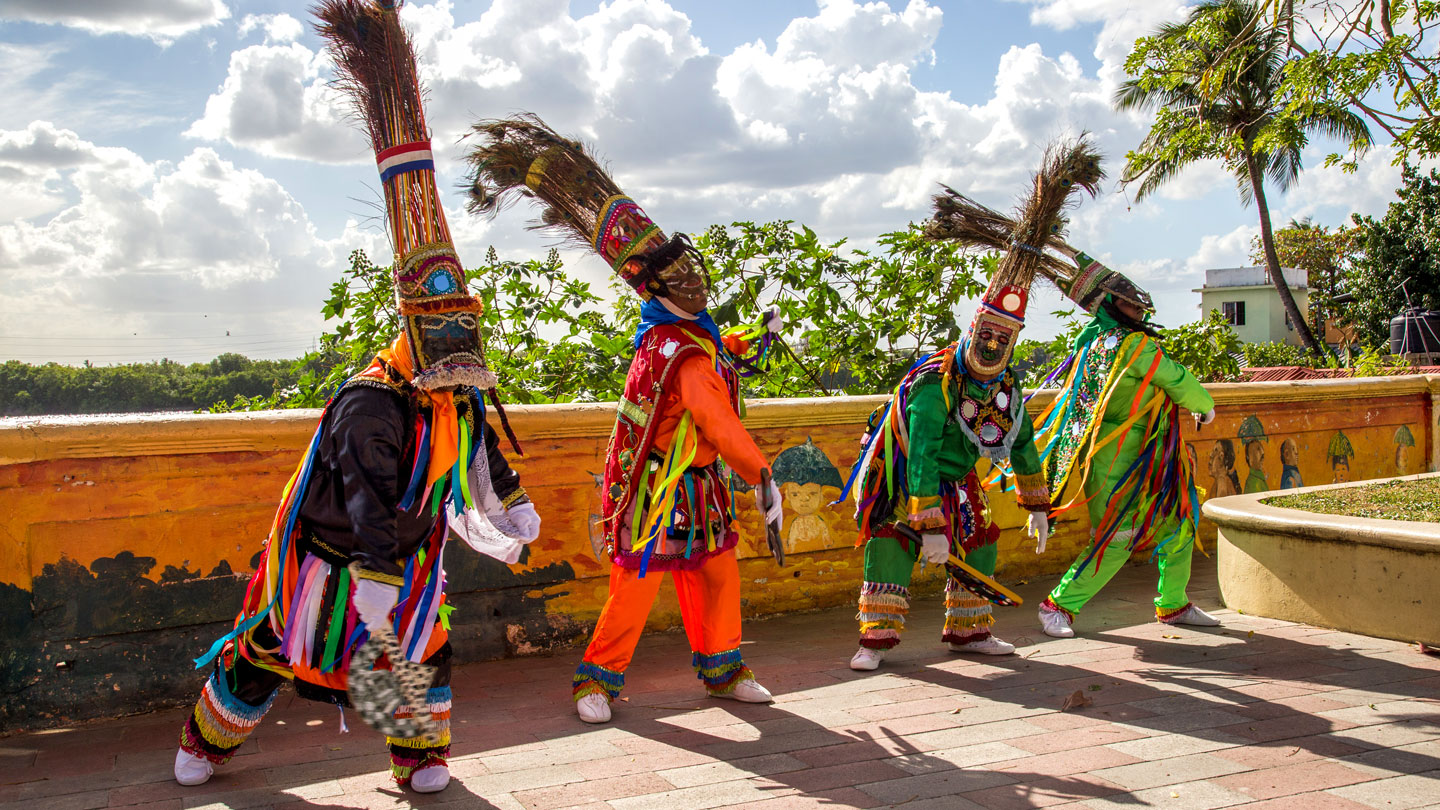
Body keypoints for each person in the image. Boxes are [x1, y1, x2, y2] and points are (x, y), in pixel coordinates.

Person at [173, 1, 538, 793]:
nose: (460, 349)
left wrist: (512, 501)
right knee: (277, 645)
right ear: (413, 330)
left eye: (466, 331)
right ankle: (206, 745)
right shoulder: (371, 402)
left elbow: (478, 447)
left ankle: (418, 761)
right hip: (333, 557)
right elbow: (367, 493)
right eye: (444, 335)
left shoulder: (456, 387)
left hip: (401, 560)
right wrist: (374, 571)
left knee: (412, 651)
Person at [464, 115, 784, 723]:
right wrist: (760, 474)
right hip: (652, 486)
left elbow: (722, 354)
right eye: (681, 278)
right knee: (635, 589)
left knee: (717, 576)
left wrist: (753, 338)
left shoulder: (690, 336)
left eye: (695, 273)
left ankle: (725, 667)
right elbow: (714, 415)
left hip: (697, 486)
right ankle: (596, 681)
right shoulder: (679, 349)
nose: (695, 283)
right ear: (655, 289)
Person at [841, 138, 1107, 670]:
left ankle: (969, 632)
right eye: (986, 334)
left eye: (1002, 339)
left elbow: (1025, 443)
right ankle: (874, 642)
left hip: (960, 483)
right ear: (972, 329)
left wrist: (1038, 507)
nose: (991, 345)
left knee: (981, 538)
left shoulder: (1004, 386)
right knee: (891, 545)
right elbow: (917, 454)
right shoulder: (934, 384)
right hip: (904, 480)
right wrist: (930, 524)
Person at [1030, 251, 1220, 638]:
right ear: (1110, 304)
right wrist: (1206, 408)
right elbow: (1176, 380)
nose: (1137, 308)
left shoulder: (1095, 339)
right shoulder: (1134, 346)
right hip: (1116, 458)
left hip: (1145, 460)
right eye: (1128, 302)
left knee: (1179, 525)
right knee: (1116, 537)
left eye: (1137, 302)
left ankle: (1173, 604)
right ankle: (1058, 606)